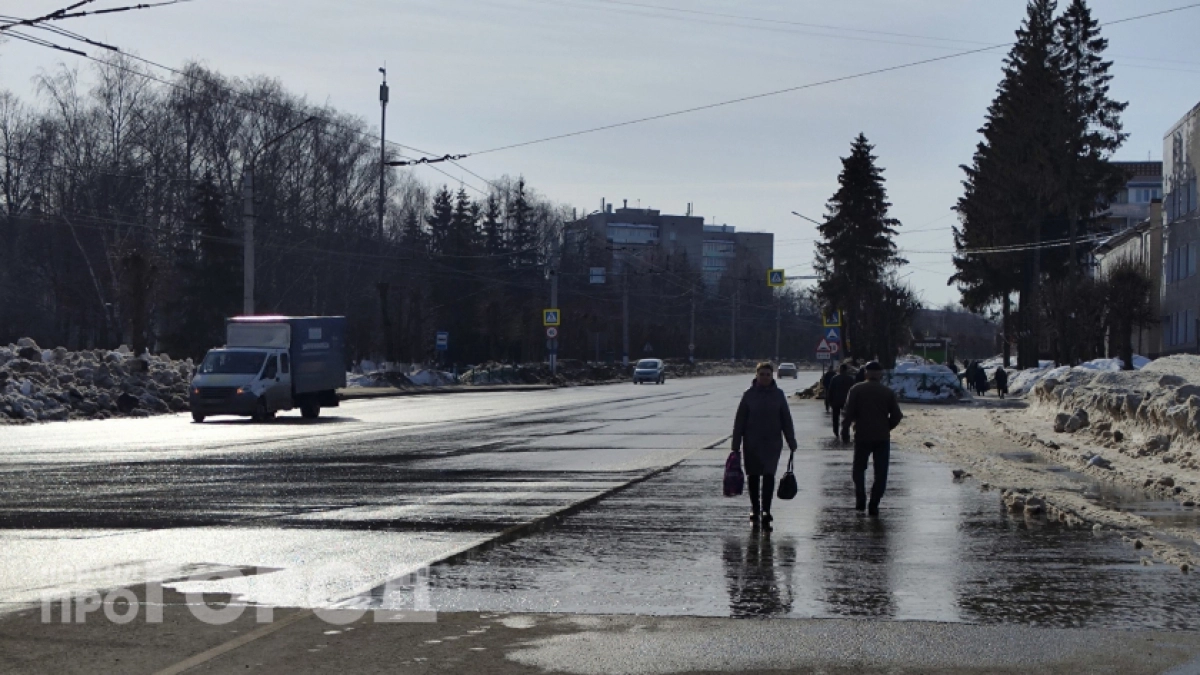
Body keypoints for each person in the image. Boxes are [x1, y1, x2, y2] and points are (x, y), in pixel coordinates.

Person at [733, 362, 798, 531]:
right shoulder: (748, 395)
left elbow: (786, 419)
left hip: (772, 443)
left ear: (772, 376)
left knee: (769, 476)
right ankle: (755, 508)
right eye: (762, 374)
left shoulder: (778, 395)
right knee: (753, 476)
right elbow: (739, 421)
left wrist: (791, 440)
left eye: (768, 374)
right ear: (756, 375)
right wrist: (735, 445)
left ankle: (766, 510)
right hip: (751, 442)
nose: (765, 377)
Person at [841, 361, 903, 516]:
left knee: (859, 469)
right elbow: (897, 415)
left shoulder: (856, 390)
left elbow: (848, 412)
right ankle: (874, 503)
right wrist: (886, 426)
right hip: (882, 437)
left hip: (862, 435)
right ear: (880, 375)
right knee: (881, 472)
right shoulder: (887, 392)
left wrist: (845, 430)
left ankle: (860, 497)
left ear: (865, 373)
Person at [827, 363, 856, 441]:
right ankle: (845, 431)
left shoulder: (835, 378)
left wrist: (830, 401)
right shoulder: (850, 379)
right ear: (846, 370)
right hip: (846, 401)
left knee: (835, 417)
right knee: (846, 417)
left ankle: (836, 431)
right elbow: (854, 390)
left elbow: (830, 390)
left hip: (836, 401)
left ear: (840, 369)